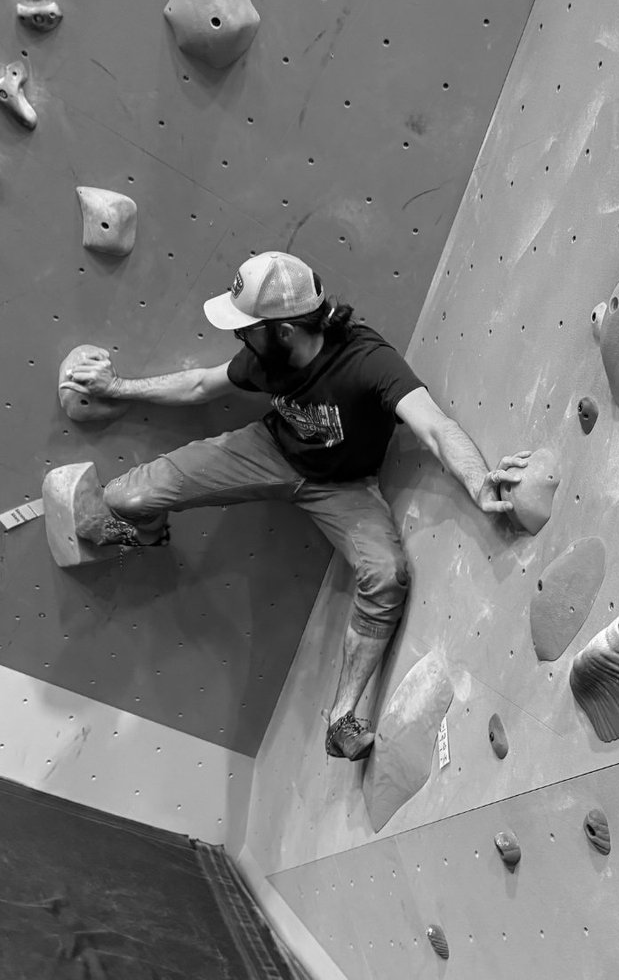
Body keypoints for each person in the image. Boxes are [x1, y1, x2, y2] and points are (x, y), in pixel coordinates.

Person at [64, 251, 528, 761]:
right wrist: (117, 388)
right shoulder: (266, 356)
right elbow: (199, 385)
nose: (241, 338)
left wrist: (479, 481)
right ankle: (148, 535)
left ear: (283, 330)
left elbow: (435, 427)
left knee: (386, 576)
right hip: (268, 451)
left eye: (247, 329)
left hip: (342, 485)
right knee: (125, 498)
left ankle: (343, 718)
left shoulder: (367, 361)